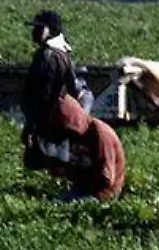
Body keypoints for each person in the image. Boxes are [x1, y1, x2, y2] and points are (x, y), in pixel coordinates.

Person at [22, 10, 88, 170]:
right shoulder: (61, 53)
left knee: (49, 162)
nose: (34, 32)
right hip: (60, 117)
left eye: (39, 28)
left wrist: (32, 125)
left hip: (52, 120)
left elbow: (44, 96)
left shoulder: (48, 56)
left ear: (50, 31)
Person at [43, 94, 126, 202]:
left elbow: (106, 179)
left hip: (103, 192)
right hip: (82, 188)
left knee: (64, 204)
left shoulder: (100, 133)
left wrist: (75, 172)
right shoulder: (75, 136)